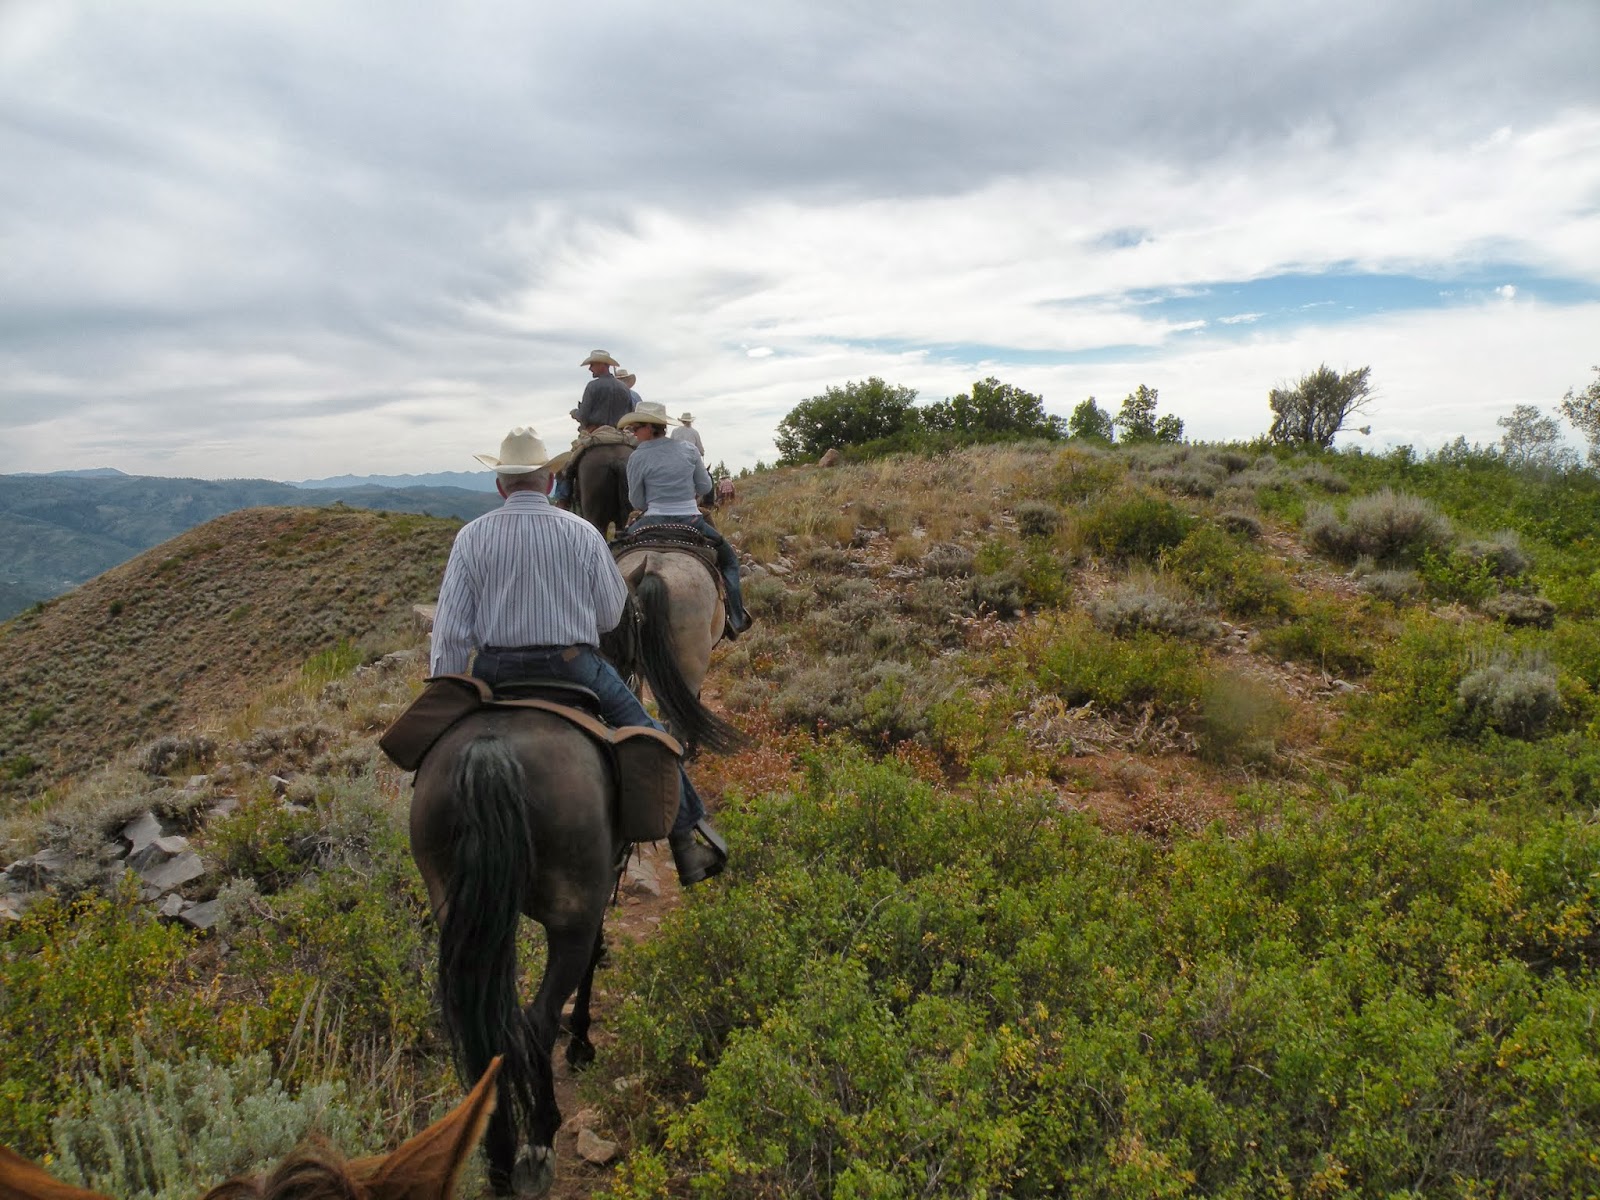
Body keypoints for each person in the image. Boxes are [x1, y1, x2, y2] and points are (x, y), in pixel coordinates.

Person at [430, 426, 727, 885]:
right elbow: (611, 615)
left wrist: (446, 696)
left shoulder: (470, 538)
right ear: (548, 481)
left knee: (428, 758)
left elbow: (450, 634)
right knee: (652, 737)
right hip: (574, 666)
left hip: (493, 670)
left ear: (499, 485)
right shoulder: (583, 532)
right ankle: (688, 844)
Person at [618, 403, 753, 636]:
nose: (633, 433)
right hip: (691, 520)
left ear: (650, 428)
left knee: (614, 554)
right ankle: (736, 617)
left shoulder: (637, 457)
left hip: (650, 521)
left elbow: (637, 502)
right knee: (729, 561)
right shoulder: (688, 450)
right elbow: (705, 486)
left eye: (636, 428)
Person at [570, 350, 634, 432]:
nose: (590, 368)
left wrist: (575, 413)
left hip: (597, 433)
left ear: (602, 365)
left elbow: (583, 416)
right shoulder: (624, 388)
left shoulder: (592, 386)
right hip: (620, 434)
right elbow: (631, 414)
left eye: (592, 365)